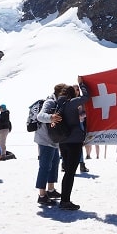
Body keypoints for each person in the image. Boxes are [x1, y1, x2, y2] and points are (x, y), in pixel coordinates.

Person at [56, 80, 91, 210]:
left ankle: (64, 199)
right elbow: (86, 97)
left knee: (67, 171)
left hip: (62, 142)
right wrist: (82, 85)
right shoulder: (71, 103)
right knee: (70, 173)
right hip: (74, 142)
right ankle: (65, 201)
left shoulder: (58, 103)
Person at [34, 83, 66, 206]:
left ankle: (51, 190)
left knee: (54, 164)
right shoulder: (50, 102)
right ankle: (42, 195)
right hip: (45, 139)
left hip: (53, 140)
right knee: (45, 166)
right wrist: (51, 117)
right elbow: (40, 116)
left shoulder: (59, 103)